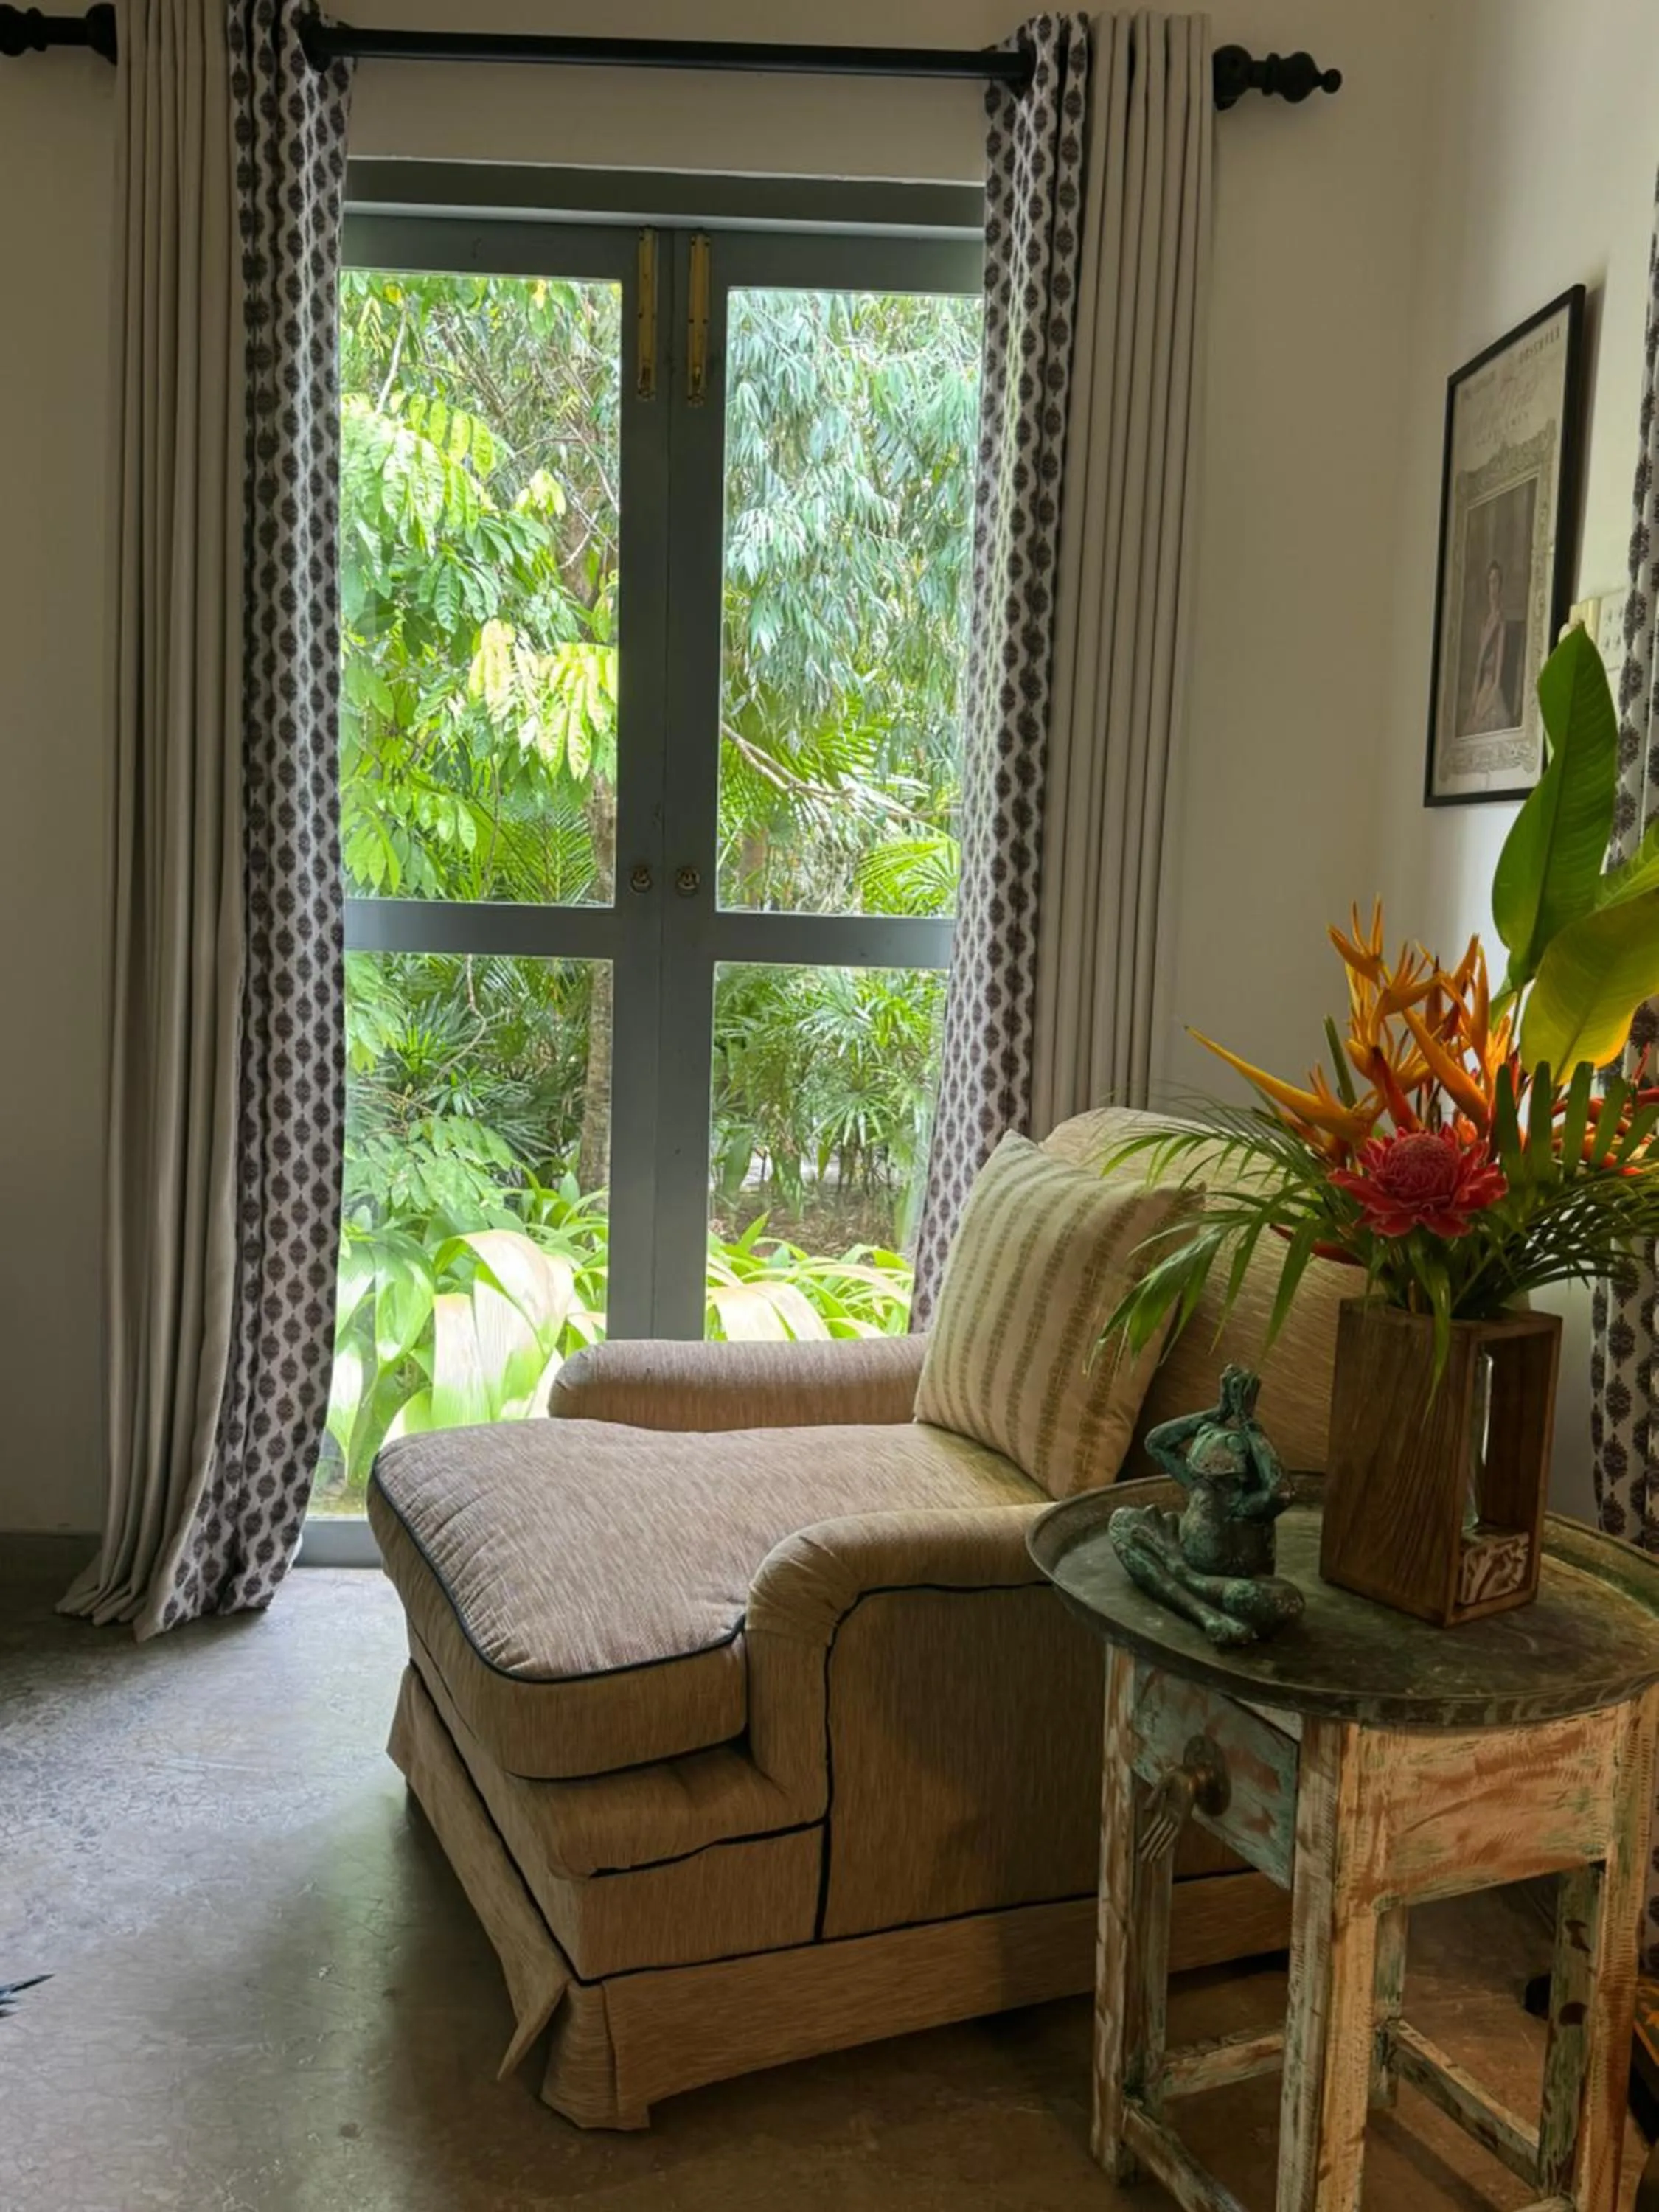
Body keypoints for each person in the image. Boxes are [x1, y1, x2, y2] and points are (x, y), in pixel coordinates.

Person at [1466, 559, 1514, 733]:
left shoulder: (1500, 622)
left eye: (1496, 581)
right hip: (1481, 690)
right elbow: (1478, 669)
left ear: (1501, 586)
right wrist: (1474, 702)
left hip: (1492, 691)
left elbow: (1497, 677)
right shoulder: (1484, 624)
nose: (1492, 587)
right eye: (1490, 582)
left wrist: (1486, 706)